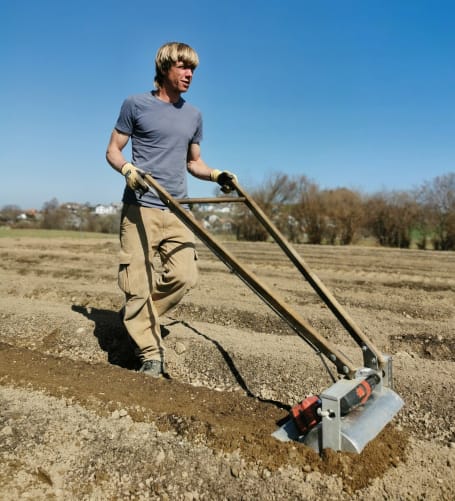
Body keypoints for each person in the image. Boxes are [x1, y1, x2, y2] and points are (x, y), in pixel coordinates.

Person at [106, 41, 237, 377]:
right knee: (136, 282)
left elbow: (194, 162)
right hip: (140, 207)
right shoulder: (135, 105)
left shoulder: (194, 115)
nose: (189, 74)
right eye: (182, 66)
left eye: (192, 68)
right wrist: (126, 170)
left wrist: (215, 174)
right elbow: (113, 151)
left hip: (177, 208)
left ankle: (138, 319)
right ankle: (150, 353)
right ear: (164, 68)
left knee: (184, 274)